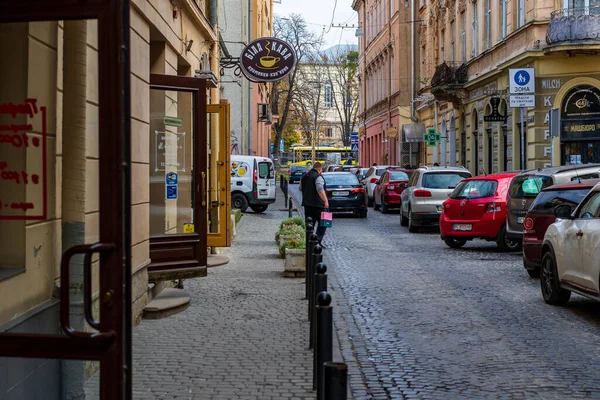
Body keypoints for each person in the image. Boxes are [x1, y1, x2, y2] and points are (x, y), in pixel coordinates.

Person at [300, 161, 328, 246]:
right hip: (318, 204)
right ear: (319, 169)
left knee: (309, 224)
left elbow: (300, 188)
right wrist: (325, 201)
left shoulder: (304, 176)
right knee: (323, 222)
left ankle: (309, 242)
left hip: (307, 204)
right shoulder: (318, 177)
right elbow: (320, 189)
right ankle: (317, 241)